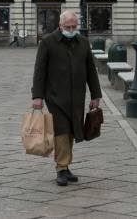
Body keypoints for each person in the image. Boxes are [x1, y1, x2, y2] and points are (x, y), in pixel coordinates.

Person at [31, 11, 102, 186]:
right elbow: (39, 71)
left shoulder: (83, 43)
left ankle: (66, 165)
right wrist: (37, 96)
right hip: (55, 96)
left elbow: (91, 71)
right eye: (67, 27)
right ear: (60, 26)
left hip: (77, 95)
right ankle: (61, 168)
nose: (71, 30)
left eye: (74, 27)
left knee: (72, 130)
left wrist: (96, 94)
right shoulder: (48, 42)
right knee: (62, 130)